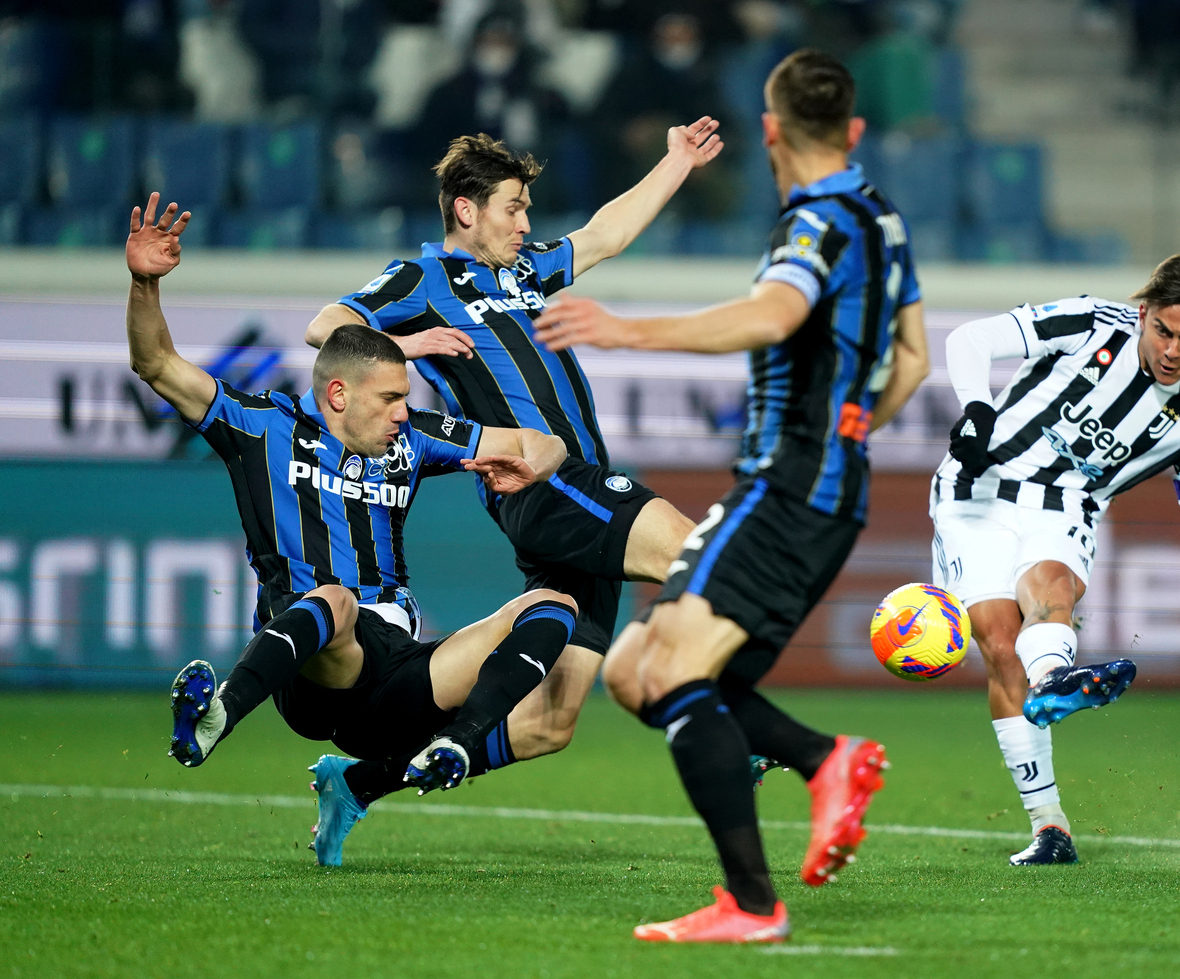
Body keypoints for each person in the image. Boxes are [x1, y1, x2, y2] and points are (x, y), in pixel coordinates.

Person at [532, 49, 930, 943]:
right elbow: (914, 361)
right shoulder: (884, 217)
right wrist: (852, 433)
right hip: (820, 486)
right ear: (856, 130)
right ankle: (820, 766)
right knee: (641, 669)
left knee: (657, 671)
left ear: (771, 130)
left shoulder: (817, 221)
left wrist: (627, 330)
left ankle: (755, 897)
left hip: (788, 483)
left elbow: (773, 315)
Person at [126, 192, 591, 867]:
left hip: (394, 672)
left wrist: (527, 461)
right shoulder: (261, 426)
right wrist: (145, 284)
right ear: (338, 394)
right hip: (314, 666)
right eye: (391, 398)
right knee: (337, 601)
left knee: (554, 606)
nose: (406, 412)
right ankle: (218, 712)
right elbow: (156, 364)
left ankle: (451, 745)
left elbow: (539, 442)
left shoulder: (415, 439)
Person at [302, 119, 724, 773]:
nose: (526, 222)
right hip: (543, 483)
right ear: (466, 210)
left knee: (547, 723)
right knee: (689, 550)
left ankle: (360, 782)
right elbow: (327, 324)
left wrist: (675, 163)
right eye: (514, 207)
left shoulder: (525, 271)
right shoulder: (421, 279)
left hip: (573, 489)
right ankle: (725, 721)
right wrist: (404, 346)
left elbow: (605, 235)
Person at [930, 253, 1180, 867]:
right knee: (999, 641)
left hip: (1063, 509)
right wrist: (977, 410)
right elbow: (969, 338)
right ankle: (1047, 821)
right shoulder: (1089, 324)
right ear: (1144, 314)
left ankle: (1055, 686)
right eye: (1163, 330)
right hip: (978, 488)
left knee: (1052, 589)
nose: (1173, 350)